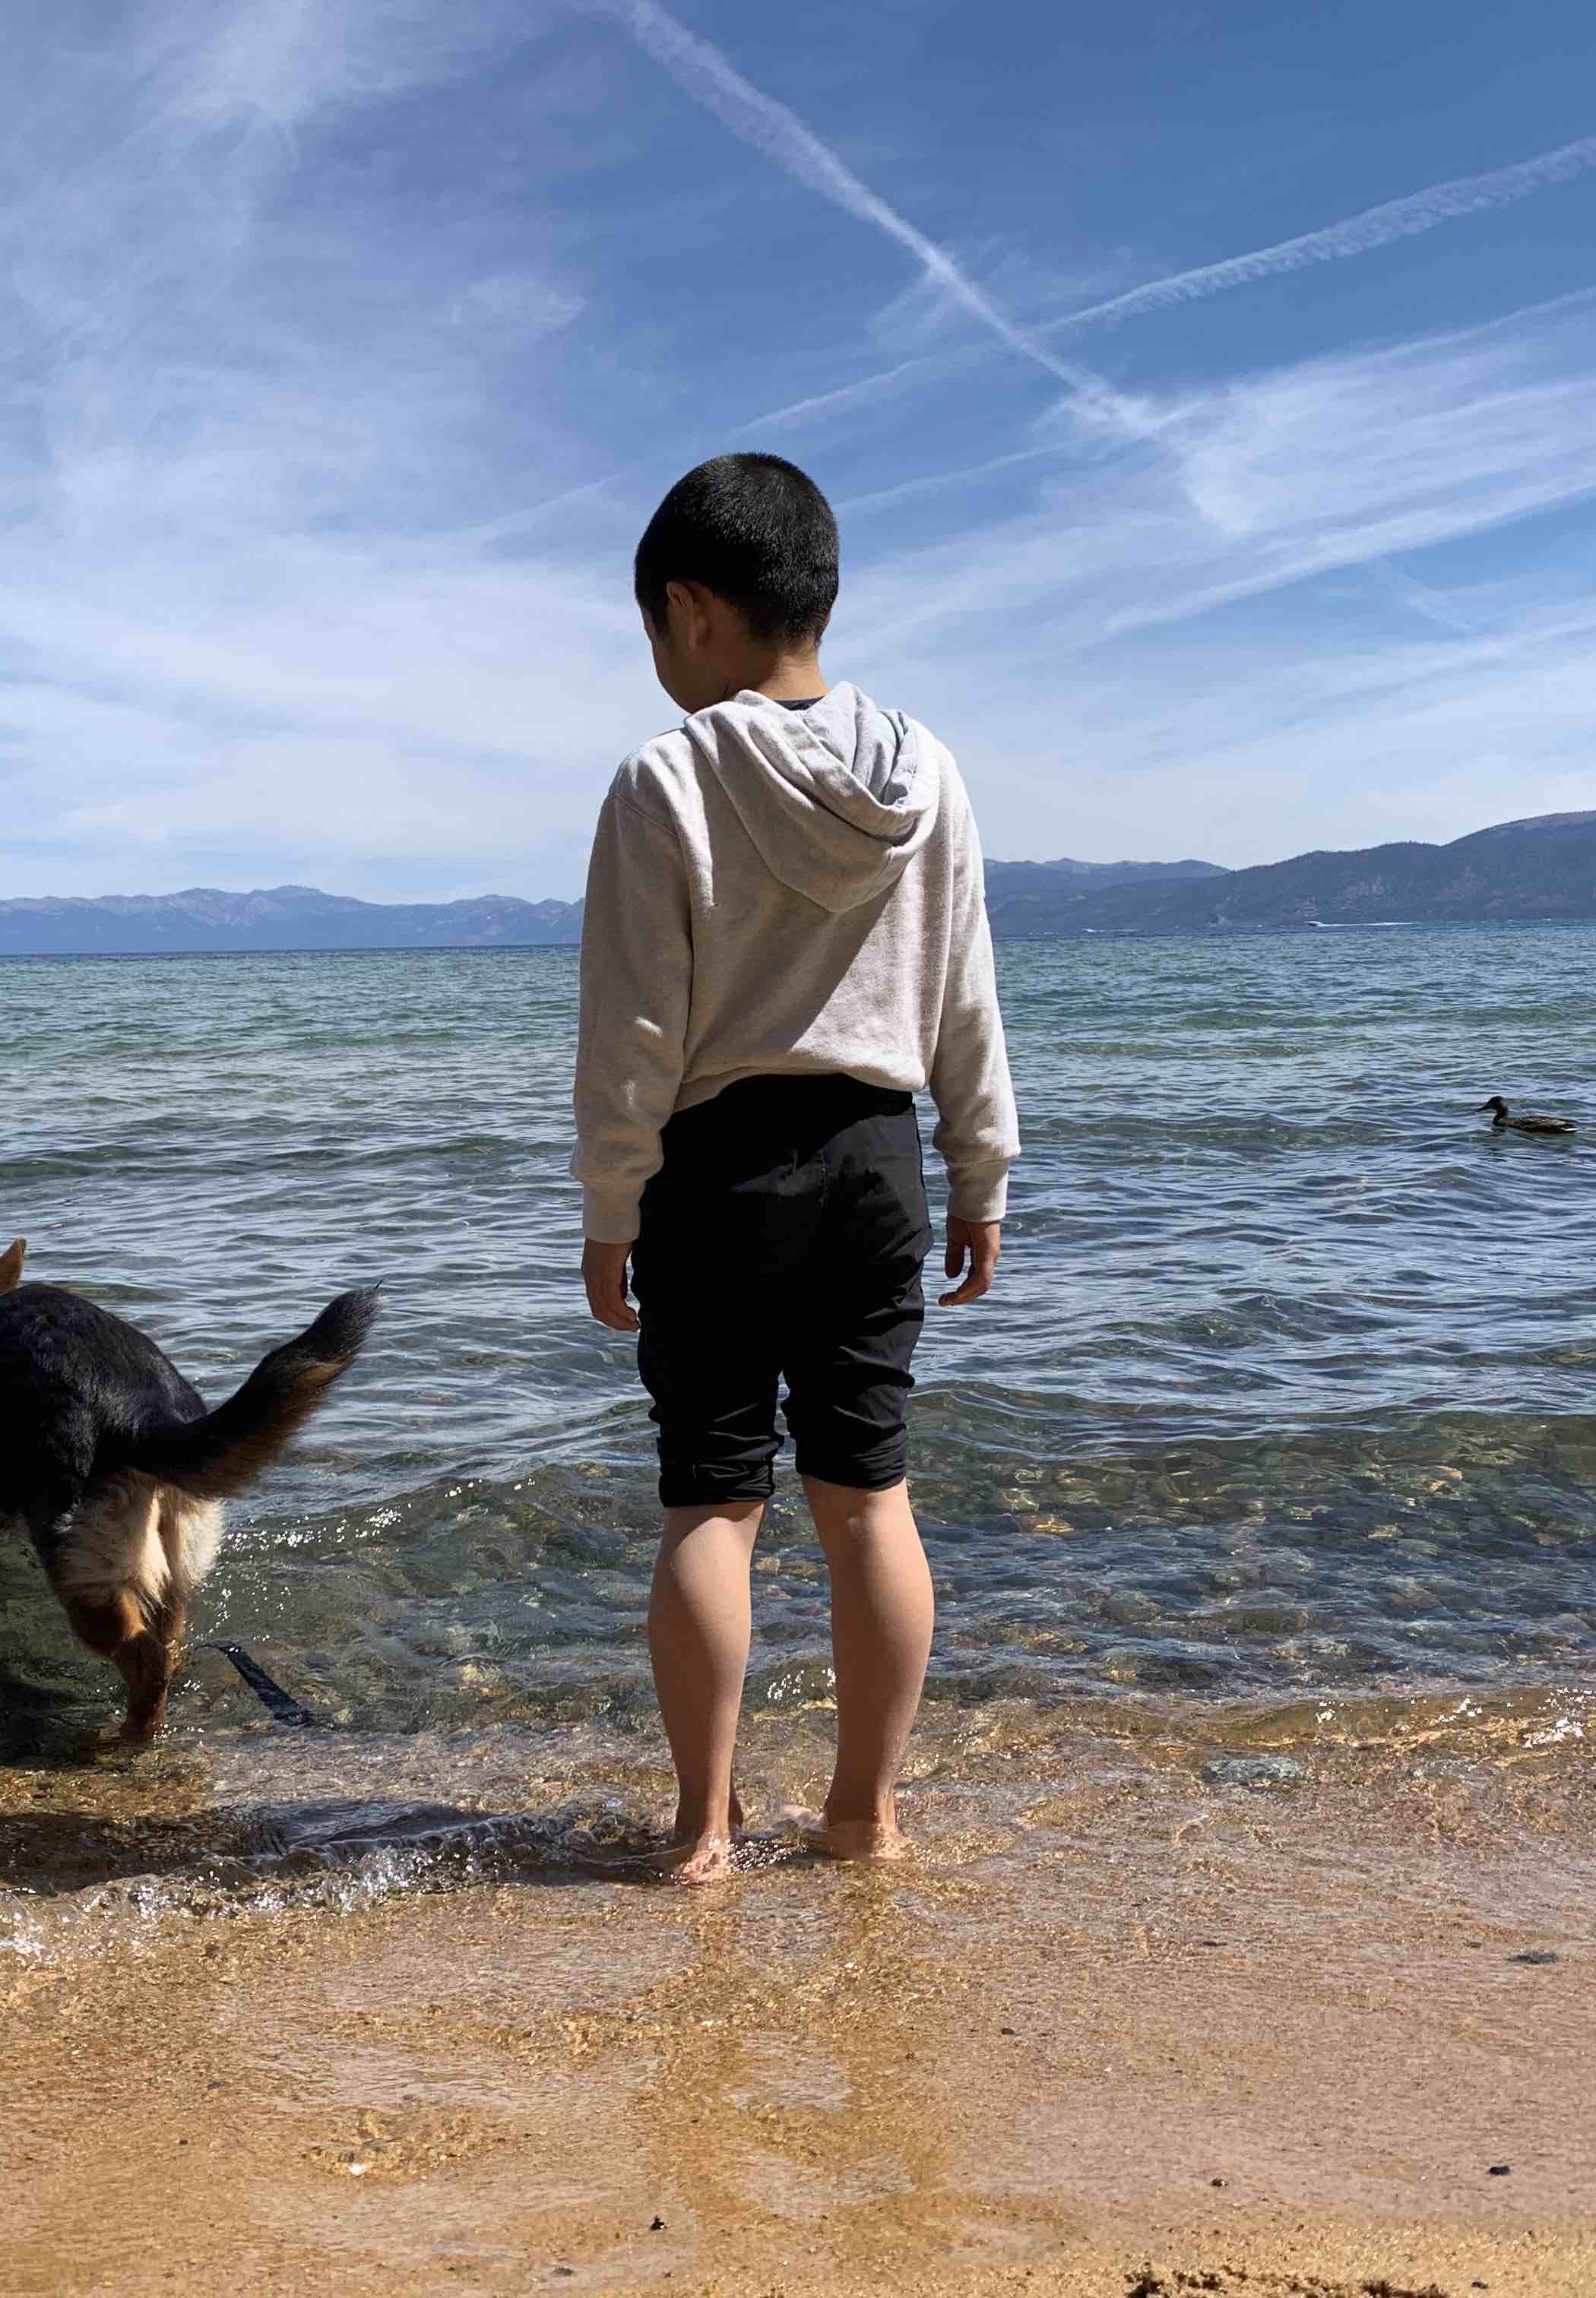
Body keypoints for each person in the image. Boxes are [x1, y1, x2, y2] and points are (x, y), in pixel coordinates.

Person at [571, 451, 1018, 1883]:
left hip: (722, 1162)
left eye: (652, 629)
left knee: (713, 1499)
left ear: (693, 610)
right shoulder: (925, 770)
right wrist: (982, 1172)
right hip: (879, 1158)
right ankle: (863, 1819)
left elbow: (635, 1028)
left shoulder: (665, 782)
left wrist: (609, 1203)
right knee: (868, 1498)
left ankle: (704, 1830)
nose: (655, 658)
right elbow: (965, 992)